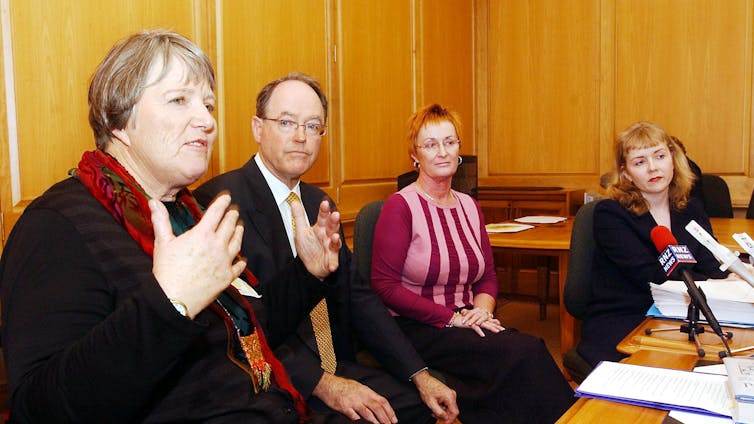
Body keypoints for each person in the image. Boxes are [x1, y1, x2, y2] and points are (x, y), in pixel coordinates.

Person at [0, 30, 349, 423]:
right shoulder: (58, 225)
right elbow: (39, 408)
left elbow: (251, 335)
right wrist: (170, 303)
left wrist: (307, 273)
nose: (206, 121)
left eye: (208, 105)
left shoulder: (189, 213)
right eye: (180, 100)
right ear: (119, 120)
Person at [194, 73, 458, 424]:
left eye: (313, 125)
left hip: (334, 360)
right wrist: (324, 385)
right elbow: (240, 325)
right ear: (258, 128)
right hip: (266, 379)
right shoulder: (219, 204)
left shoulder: (319, 201)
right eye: (287, 122)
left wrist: (419, 374)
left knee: (417, 405)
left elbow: (360, 297)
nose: (301, 137)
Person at [370, 103, 575, 424]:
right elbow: (384, 287)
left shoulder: (469, 205)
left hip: (467, 318)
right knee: (524, 353)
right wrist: (452, 319)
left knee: (520, 355)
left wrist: (482, 311)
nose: (442, 152)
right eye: (431, 144)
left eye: (450, 142)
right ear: (415, 154)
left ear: (459, 149)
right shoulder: (400, 207)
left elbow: (487, 276)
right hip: (416, 326)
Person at [576, 121, 729, 367]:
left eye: (659, 156)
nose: (652, 167)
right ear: (626, 173)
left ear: (673, 159)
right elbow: (650, 275)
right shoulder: (610, 213)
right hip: (625, 316)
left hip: (682, 313)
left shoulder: (692, 208)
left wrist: (737, 276)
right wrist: (705, 278)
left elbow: (711, 266)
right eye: (640, 162)